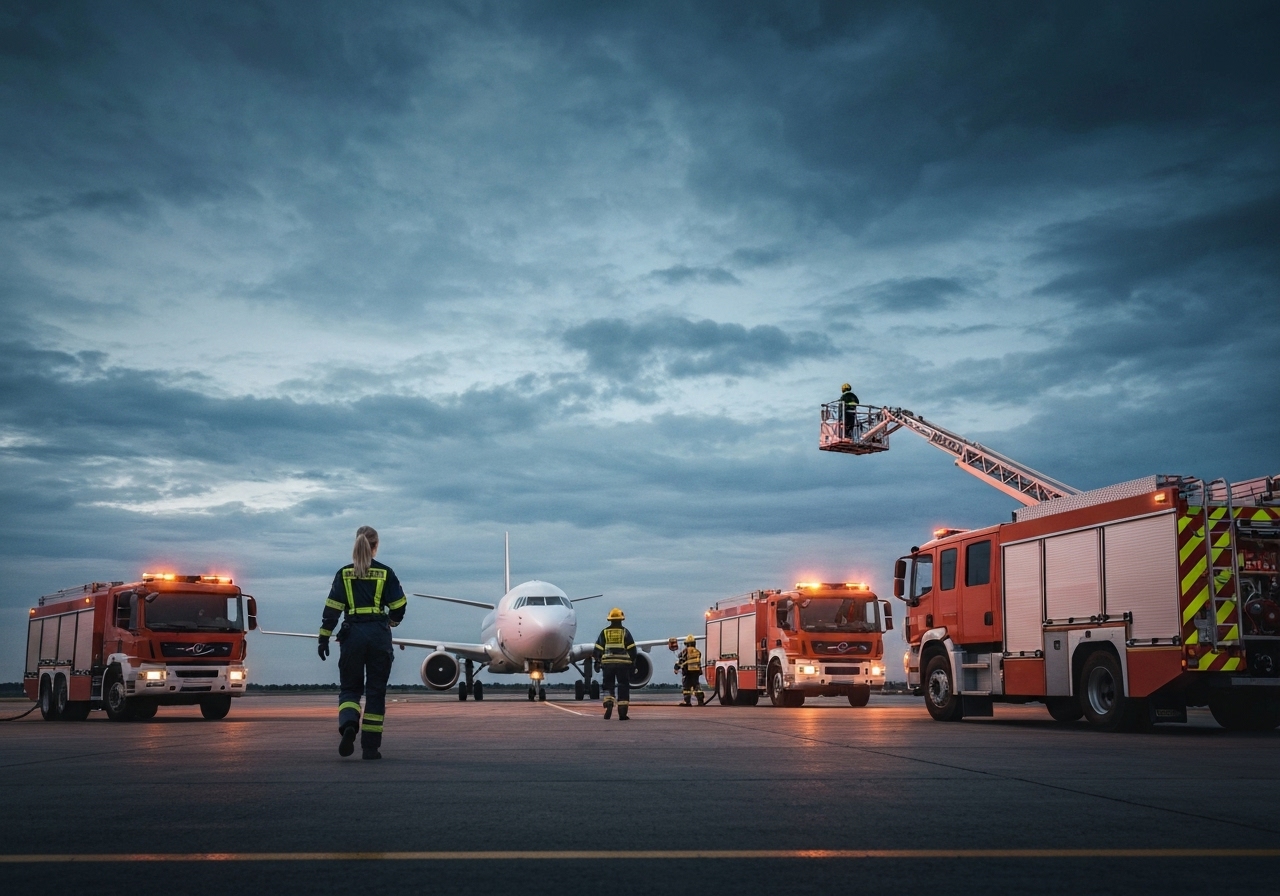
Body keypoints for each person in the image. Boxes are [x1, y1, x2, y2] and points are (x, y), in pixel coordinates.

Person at [318, 526, 407, 759]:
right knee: (376, 692)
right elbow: (399, 605)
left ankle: (349, 724)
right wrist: (391, 623)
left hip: (352, 635)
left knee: (350, 689)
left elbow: (332, 609)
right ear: (375, 546)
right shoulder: (386, 573)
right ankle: (370, 748)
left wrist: (324, 636)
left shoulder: (343, 574)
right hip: (378, 635)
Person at [593, 607, 637, 720]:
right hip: (623, 664)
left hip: (608, 664)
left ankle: (608, 704)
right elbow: (632, 649)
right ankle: (622, 713)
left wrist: (597, 662)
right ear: (621, 619)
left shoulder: (604, 632)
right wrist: (633, 664)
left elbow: (597, 649)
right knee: (623, 686)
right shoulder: (625, 632)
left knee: (608, 685)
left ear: (610, 619)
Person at [674, 635, 704, 706]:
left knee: (686, 688)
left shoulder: (685, 651)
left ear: (686, 644)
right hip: (696, 672)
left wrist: (676, 668)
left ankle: (687, 702)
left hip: (687, 672)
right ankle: (700, 701)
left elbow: (681, 660)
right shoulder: (697, 652)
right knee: (697, 687)